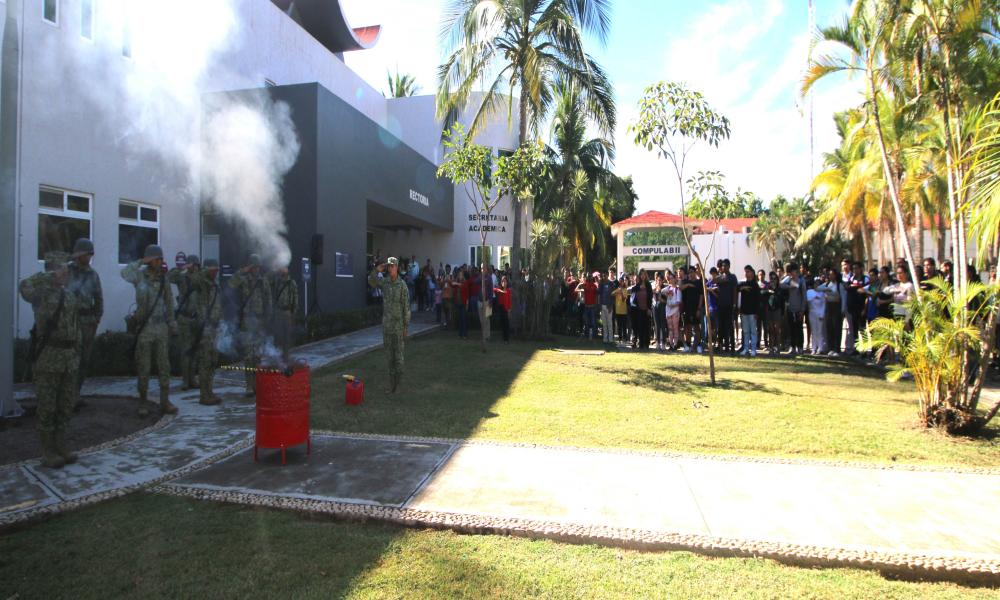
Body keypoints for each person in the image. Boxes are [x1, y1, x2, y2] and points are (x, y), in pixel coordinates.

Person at [20, 252, 82, 468]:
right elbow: (24, 286)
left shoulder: (70, 296)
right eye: (62, 270)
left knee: (65, 405)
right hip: (49, 357)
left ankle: (60, 445)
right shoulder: (40, 294)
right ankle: (47, 451)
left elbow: (76, 327)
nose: (66, 274)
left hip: (68, 357)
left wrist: (77, 351)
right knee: (47, 406)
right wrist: (47, 276)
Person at [122, 244, 177, 416]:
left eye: (161, 259)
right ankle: (143, 401)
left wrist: (172, 324)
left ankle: (165, 401)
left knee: (164, 367)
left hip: (161, 328)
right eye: (157, 259)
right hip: (145, 328)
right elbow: (124, 273)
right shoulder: (139, 276)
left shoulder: (164, 279)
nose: (160, 261)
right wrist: (140, 261)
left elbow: (169, 303)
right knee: (144, 367)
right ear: (150, 260)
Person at [229, 254, 272, 397]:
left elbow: (268, 300)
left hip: (259, 321)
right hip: (247, 320)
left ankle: (258, 385)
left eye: (258, 266)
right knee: (248, 355)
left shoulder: (263, 281)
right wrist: (242, 271)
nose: (256, 269)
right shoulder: (243, 279)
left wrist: (267, 318)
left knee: (258, 355)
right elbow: (231, 284)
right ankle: (249, 386)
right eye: (254, 266)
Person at [67, 238, 102, 404]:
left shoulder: (93, 275)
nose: (88, 258)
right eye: (86, 254)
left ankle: (76, 394)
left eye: (90, 255)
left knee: (83, 360)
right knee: (70, 359)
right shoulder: (67, 271)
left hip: (87, 322)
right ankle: (67, 395)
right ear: (79, 254)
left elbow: (99, 299)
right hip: (70, 321)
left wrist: (96, 319)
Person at [368, 257, 410, 393]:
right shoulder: (385, 283)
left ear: (397, 267)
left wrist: (405, 327)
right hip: (387, 327)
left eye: (393, 266)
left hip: (398, 327)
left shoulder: (402, 285)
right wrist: (376, 270)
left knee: (399, 358)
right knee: (389, 358)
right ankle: (391, 386)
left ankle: (399, 386)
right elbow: (372, 281)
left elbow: (406, 307)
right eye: (389, 266)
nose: (390, 268)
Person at [190, 258, 223, 406]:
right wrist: (204, 270)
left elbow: (219, 306)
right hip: (204, 329)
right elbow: (193, 279)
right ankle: (204, 394)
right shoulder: (201, 284)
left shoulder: (216, 286)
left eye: (217, 270)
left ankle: (210, 391)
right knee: (205, 361)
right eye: (213, 270)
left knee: (212, 362)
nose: (215, 273)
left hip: (214, 328)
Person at [168, 254, 202, 390]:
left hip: (196, 318)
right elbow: (169, 276)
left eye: (196, 265)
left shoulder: (200, 278)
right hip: (184, 318)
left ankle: (193, 378)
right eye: (193, 265)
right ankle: (185, 380)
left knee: (195, 350)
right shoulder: (182, 277)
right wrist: (183, 268)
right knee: (186, 350)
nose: (195, 268)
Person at [271, 265, 299, 362]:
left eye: (285, 268)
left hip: (287, 312)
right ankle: (277, 360)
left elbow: (295, 299)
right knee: (278, 337)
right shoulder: (277, 281)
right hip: (278, 312)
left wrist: (293, 315)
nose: (283, 269)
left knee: (287, 337)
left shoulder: (291, 283)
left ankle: (286, 359)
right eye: (282, 268)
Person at [844, 261, 869, 355]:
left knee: (863, 329)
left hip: (861, 307)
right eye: (853, 268)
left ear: (861, 269)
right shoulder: (851, 278)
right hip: (852, 308)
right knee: (854, 329)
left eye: (856, 268)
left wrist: (864, 308)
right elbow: (847, 287)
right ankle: (856, 348)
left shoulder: (865, 279)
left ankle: (865, 349)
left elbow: (866, 292)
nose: (855, 270)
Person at [780, 263, 806, 355]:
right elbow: (781, 285)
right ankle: (793, 347)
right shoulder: (789, 280)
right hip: (790, 309)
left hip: (799, 309)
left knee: (799, 329)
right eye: (791, 272)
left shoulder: (801, 281)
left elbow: (804, 297)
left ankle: (800, 347)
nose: (792, 273)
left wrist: (802, 310)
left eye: (794, 271)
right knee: (791, 329)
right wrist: (789, 284)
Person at [715, 259, 738, 354]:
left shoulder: (732, 277)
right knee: (721, 326)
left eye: (725, 265)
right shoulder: (719, 277)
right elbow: (715, 280)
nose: (723, 267)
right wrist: (720, 273)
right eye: (722, 266)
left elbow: (735, 291)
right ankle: (721, 346)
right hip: (720, 305)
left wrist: (734, 304)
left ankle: (731, 347)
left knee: (730, 327)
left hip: (729, 305)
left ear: (729, 266)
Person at [737, 266, 761, 357]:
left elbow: (758, 300)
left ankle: (754, 349)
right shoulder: (742, 284)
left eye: (748, 271)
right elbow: (737, 288)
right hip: (744, 311)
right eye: (745, 272)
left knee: (753, 331)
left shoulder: (755, 285)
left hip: (752, 312)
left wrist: (757, 312)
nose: (746, 273)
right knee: (745, 331)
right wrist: (742, 288)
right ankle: (746, 349)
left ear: (752, 273)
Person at [630, 269, 653, 350]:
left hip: (646, 308)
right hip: (638, 309)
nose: (642, 276)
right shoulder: (638, 284)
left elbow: (650, 297)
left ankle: (646, 343)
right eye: (641, 274)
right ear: (639, 275)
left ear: (645, 275)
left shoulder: (648, 284)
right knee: (640, 327)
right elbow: (633, 290)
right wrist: (639, 287)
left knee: (647, 327)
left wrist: (649, 308)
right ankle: (641, 343)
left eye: (644, 274)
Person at [806, 278, 827, 355]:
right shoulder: (809, 292)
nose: (816, 285)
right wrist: (815, 296)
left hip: (820, 313)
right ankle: (814, 348)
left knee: (820, 331)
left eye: (818, 284)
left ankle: (820, 347)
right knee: (813, 331)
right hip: (812, 313)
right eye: (815, 284)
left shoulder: (823, 294)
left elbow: (824, 304)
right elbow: (809, 299)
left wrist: (822, 314)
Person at [576, 273, 599, 341]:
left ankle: (593, 336)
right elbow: (576, 290)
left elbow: (597, 295)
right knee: (586, 321)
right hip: (586, 306)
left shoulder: (594, 285)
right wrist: (581, 290)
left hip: (592, 306)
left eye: (590, 277)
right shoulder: (584, 285)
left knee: (593, 321)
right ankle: (586, 335)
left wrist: (596, 304)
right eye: (588, 277)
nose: (589, 278)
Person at [664, 271, 682, 350]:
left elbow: (679, 301)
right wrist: (667, 292)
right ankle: (671, 344)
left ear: (675, 279)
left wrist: (672, 304)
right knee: (670, 328)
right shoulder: (668, 288)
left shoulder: (677, 289)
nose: (670, 280)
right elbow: (661, 291)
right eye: (669, 278)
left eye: (671, 278)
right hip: (668, 311)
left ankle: (675, 344)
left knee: (675, 328)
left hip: (675, 311)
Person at [598, 270, 616, 345]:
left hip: (609, 307)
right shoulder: (601, 284)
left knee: (609, 323)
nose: (604, 276)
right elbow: (599, 294)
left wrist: (611, 306)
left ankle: (611, 339)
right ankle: (605, 339)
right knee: (604, 324)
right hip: (602, 306)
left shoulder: (611, 284)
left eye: (605, 275)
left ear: (607, 275)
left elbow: (613, 295)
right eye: (603, 275)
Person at [494, 275, 512, 342]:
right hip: (501, 308)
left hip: (506, 308)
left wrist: (509, 310)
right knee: (502, 323)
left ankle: (507, 338)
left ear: (507, 282)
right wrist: (500, 291)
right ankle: (504, 338)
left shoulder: (508, 290)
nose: (504, 283)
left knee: (506, 323)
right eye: (503, 281)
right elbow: (494, 289)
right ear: (501, 283)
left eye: (505, 281)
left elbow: (509, 301)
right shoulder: (499, 289)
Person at [612, 275, 630, 344]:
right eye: (620, 282)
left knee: (624, 326)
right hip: (618, 310)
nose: (620, 283)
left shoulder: (625, 289)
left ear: (623, 282)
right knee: (619, 326)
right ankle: (619, 339)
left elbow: (623, 299)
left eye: (622, 281)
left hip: (624, 311)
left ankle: (624, 339)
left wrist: (621, 292)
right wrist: (617, 292)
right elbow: (612, 294)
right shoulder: (618, 289)